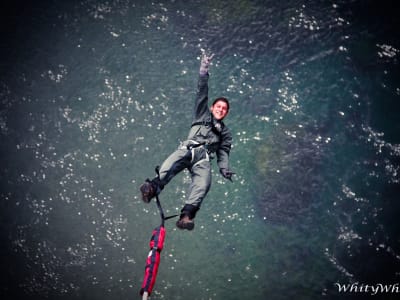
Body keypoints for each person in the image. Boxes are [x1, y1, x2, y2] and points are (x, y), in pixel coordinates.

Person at [139, 53, 234, 230]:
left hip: (203, 159)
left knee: (204, 183)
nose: (221, 110)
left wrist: (224, 169)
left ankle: (186, 216)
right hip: (189, 148)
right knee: (171, 164)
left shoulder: (226, 133)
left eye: (224, 109)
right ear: (212, 108)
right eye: (218, 107)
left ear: (226, 113)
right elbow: (202, 92)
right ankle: (151, 188)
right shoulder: (202, 113)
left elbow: (223, 152)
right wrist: (204, 71)